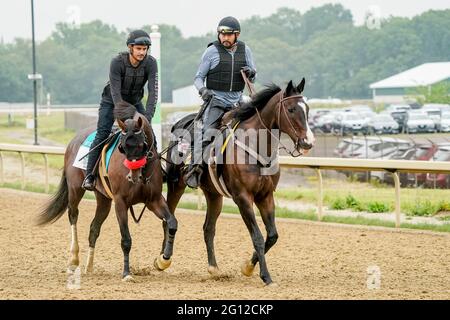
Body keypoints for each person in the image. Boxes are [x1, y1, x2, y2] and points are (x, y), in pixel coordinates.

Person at [184, 16, 257, 188]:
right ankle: (194, 170)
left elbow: (254, 75)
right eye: (222, 34)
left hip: (238, 100)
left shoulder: (246, 51)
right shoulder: (211, 52)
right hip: (216, 101)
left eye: (228, 35)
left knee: (256, 128)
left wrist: (251, 72)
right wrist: (203, 91)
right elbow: (198, 78)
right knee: (207, 133)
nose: (224, 38)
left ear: (236, 35)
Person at [82, 29, 158, 191]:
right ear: (130, 48)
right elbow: (116, 94)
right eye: (138, 48)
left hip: (135, 102)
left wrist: (148, 118)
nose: (142, 52)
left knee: (149, 132)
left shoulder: (151, 63)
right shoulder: (117, 62)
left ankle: (156, 172)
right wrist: (123, 117)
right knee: (102, 133)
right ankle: (89, 175)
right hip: (111, 102)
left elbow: (153, 92)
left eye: (145, 49)